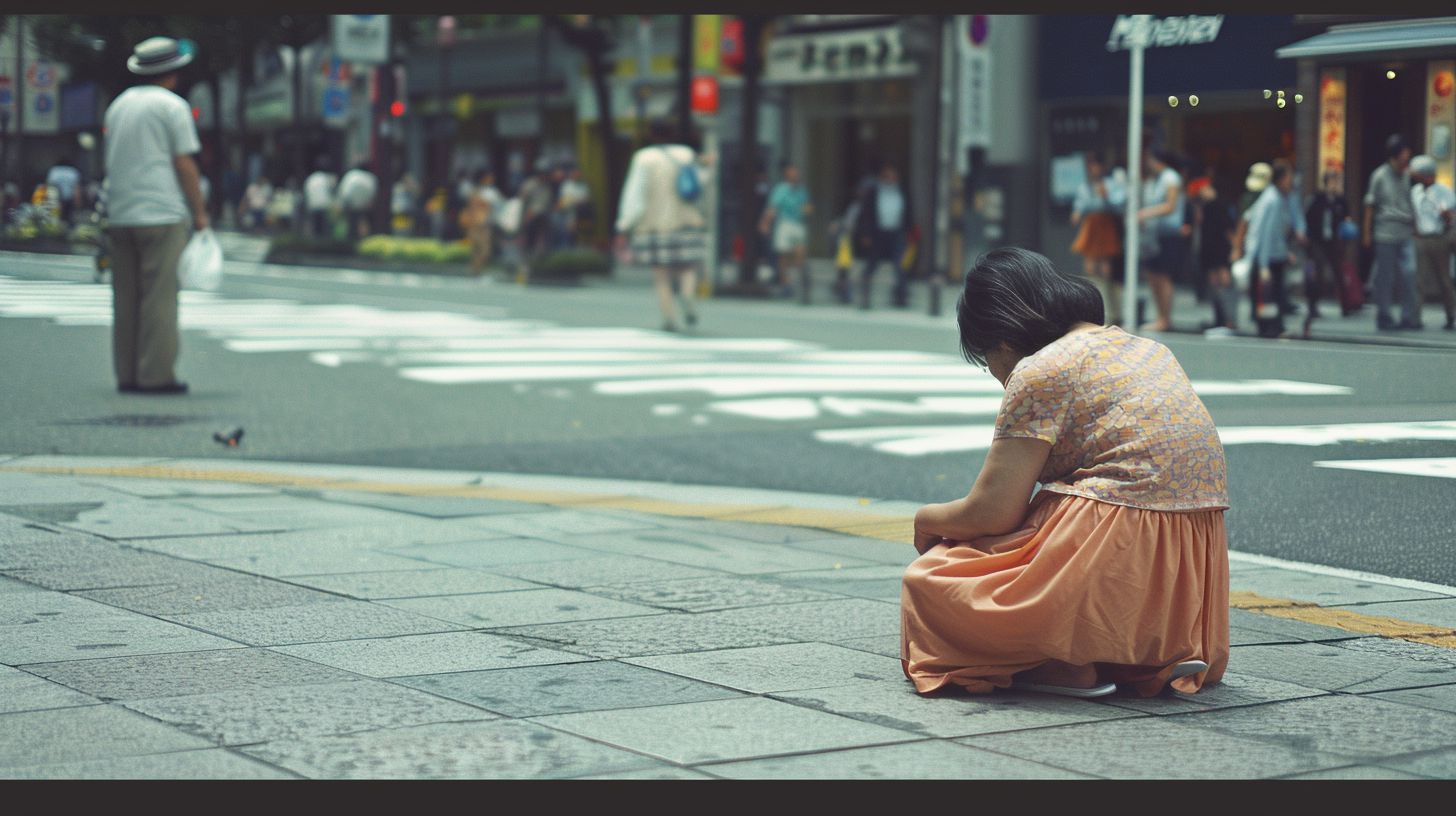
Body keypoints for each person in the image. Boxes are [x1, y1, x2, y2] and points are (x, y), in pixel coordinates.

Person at [901, 247, 1228, 699]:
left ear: (1000, 339)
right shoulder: (1148, 349)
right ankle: (1143, 652)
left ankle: (1062, 662)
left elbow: (993, 511)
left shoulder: (1040, 369)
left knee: (931, 580)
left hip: (1113, 530)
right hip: (1182, 560)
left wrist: (925, 520)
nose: (996, 375)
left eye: (988, 361)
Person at [102, 36, 208, 396]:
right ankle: (156, 376)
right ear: (173, 72)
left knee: (126, 297)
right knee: (159, 299)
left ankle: (127, 374)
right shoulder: (172, 106)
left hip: (120, 213)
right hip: (161, 213)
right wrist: (200, 213)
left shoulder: (118, 106)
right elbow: (184, 163)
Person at [616, 117, 710, 332]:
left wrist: (624, 224)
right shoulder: (686, 154)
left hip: (655, 224)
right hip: (688, 219)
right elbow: (700, 184)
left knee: (662, 275)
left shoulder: (644, 158)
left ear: (651, 134)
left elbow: (635, 194)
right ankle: (687, 297)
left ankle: (669, 317)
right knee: (688, 267)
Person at [1236, 160, 1307, 339]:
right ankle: (1271, 328)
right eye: (1289, 176)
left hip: (1270, 255)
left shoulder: (1273, 196)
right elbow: (1266, 233)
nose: (1291, 180)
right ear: (1282, 178)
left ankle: (1271, 327)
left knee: (1270, 295)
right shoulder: (1273, 199)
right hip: (1267, 257)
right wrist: (1264, 265)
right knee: (1271, 295)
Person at [1364, 134, 1420, 331]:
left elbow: (1410, 201)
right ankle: (1384, 316)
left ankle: (1408, 316)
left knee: (1409, 272)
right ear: (1394, 157)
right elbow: (1370, 205)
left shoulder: (1406, 175)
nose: (1407, 161)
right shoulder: (1379, 176)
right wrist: (1367, 233)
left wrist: (1415, 225)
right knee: (1385, 278)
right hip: (1385, 232)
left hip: (1404, 231)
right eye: (1404, 158)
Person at [1069, 152, 1124, 325]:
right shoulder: (1084, 186)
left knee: (1106, 269)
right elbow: (1080, 203)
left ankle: (1110, 310)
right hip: (1092, 225)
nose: (1092, 170)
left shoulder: (1110, 184)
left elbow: (1117, 205)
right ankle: (1093, 306)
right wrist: (1077, 213)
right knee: (1090, 268)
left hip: (1106, 225)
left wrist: (1106, 196)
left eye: (1095, 166)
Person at [1135, 149, 1185, 332]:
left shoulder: (1170, 178)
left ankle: (1165, 318)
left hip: (1167, 234)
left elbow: (1170, 206)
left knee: (1163, 276)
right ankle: (1160, 316)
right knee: (1153, 275)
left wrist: (1145, 214)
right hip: (1154, 234)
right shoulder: (1154, 180)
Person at [853, 162, 914, 310]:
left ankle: (901, 296)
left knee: (900, 265)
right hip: (878, 233)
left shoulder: (902, 192)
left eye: (893, 176)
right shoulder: (873, 192)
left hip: (896, 232)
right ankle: (864, 293)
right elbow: (866, 214)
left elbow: (909, 214)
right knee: (872, 264)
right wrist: (866, 234)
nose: (890, 179)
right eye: (887, 176)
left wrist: (908, 232)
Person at [1410, 154, 1456, 331]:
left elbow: (1452, 215)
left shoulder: (1445, 191)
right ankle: (1416, 316)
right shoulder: (1415, 192)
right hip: (1421, 238)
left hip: (1439, 238)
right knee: (1418, 280)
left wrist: (1448, 217)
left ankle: (1451, 315)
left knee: (1444, 279)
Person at [1304, 170, 1354, 328]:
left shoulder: (1340, 201)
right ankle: (1313, 306)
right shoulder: (1317, 199)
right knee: (1317, 273)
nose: (1335, 185)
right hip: (1318, 241)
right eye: (1332, 181)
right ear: (1326, 183)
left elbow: (1347, 219)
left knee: (1339, 272)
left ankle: (1346, 306)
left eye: (1337, 182)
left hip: (1334, 241)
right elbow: (1308, 218)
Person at [759, 161, 813, 300]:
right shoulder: (781, 189)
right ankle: (786, 283)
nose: (795, 175)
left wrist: (806, 210)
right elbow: (773, 208)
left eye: (796, 172)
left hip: (798, 224)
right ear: (787, 174)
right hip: (785, 224)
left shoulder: (801, 190)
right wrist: (765, 222)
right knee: (783, 255)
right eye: (792, 172)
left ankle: (801, 280)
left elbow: (807, 207)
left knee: (799, 253)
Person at [1196, 182, 1238, 336]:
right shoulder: (1204, 207)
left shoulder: (1219, 206)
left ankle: (1229, 320)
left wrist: (1235, 248)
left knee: (1224, 283)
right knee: (1215, 286)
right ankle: (1220, 319)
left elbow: (1228, 229)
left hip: (1220, 250)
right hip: (1210, 251)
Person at [463, 169, 501, 276]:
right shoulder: (477, 191)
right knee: (478, 248)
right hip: (477, 223)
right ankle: (475, 271)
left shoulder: (491, 191)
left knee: (484, 250)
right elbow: (473, 206)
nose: (491, 178)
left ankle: (476, 270)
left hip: (485, 224)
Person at [337, 163, 379, 240]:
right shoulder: (371, 177)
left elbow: (344, 191)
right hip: (364, 206)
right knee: (364, 225)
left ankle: (350, 240)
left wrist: (341, 203)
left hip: (351, 204)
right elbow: (373, 194)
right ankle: (364, 240)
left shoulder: (351, 175)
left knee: (351, 225)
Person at [553, 164, 590, 249]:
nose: (576, 175)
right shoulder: (566, 185)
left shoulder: (584, 186)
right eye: (575, 173)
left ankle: (572, 241)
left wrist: (574, 201)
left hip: (580, 211)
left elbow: (586, 200)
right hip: (567, 210)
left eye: (578, 174)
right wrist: (572, 201)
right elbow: (563, 200)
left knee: (575, 213)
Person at [303, 159, 336, 239]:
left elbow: (306, 193)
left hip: (313, 206)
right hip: (325, 206)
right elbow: (332, 192)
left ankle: (315, 246)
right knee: (325, 231)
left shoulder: (311, 178)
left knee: (315, 230)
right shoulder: (327, 178)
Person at [46, 157, 83, 226]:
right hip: (70, 198)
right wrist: (78, 203)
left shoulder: (54, 171)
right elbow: (77, 189)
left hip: (57, 199)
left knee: (56, 219)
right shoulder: (73, 172)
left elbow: (51, 187)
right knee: (70, 219)